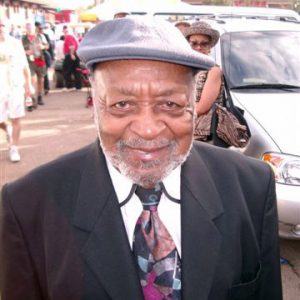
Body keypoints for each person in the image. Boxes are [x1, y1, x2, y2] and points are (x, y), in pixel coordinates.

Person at [0, 17, 282, 299]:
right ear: (95, 108)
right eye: (122, 105)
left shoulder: (252, 187)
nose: (148, 129)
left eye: (170, 104)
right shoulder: (29, 204)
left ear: (194, 109)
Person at [184, 21, 224, 144]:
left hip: (203, 138)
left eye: (204, 44)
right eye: (194, 43)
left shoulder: (213, 71)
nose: (199, 47)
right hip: (183, 131)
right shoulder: (183, 69)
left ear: (210, 46)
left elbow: (202, 108)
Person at [0, 16, 32, 162]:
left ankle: (14, 147)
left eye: (2, 25)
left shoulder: (15, 44)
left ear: (8, 27)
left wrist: (28, 85)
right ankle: (7, 130)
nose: (1, 28)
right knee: (2, 120)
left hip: (14, 86)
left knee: (16, 118)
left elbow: (25, 66)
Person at [22, 22, 49, 108]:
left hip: (40, 59)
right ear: (26, 30)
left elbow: (47, 46)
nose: (29, 30)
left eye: (31, 28)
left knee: (41, 79)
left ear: (34, 29)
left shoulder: (41, 36)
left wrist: (43, 47)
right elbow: (19, 50)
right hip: (29, 62)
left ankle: (40, 96)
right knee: (32, 80)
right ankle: (32, 98)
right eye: (28, 28)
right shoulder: (23, 39)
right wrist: (25, 52)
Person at [62, 25, 81, 90]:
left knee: (67, 70)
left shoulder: (69, 36)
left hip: (70, 54)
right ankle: (78, 86)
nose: (65, 32)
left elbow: (72, 46)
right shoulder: (72, 36)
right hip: (74, 53)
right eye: (64, 31)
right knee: (76, 70)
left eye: (66, 31)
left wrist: (71, 54)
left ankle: (69, 86)